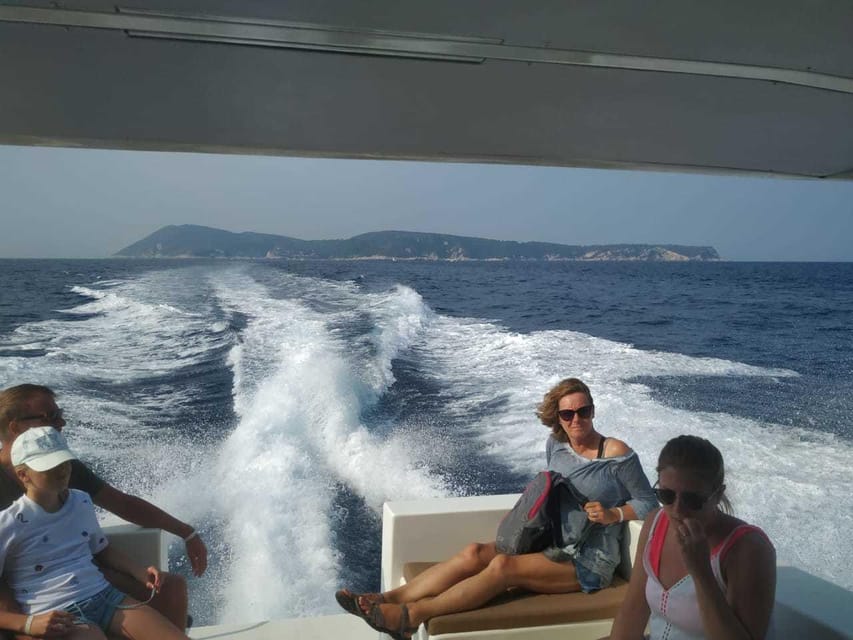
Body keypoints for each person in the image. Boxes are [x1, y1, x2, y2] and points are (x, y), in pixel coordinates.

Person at [335, 377, 657, 640]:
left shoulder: (615, 454)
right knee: (475, 552)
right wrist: (522, 517)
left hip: (588, 560)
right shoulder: (556, 445)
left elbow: (648, 503)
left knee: (503, 567)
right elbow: (551, 493)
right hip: (551, 542)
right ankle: (388, 598)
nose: (576, 420)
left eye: (583, 411)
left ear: (593, 411)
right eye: (567, 414)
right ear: (558, 417)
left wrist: (614, 514)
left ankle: (410, 616)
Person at [0, 384, 207, 634]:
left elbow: (122, 504)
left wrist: (186, 532)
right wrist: (24, 623)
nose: (61, 422)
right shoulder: (10, 517)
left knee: (170, 588)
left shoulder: (64, 469)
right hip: (25, 592)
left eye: (60, 414)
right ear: (15, 427)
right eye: (51, 417)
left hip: (81, 579)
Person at [606, 435, 776, 640]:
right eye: (667, 495)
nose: (677, 510)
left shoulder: (748, 549)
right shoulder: (655, 523)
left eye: (692, 500)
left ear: (717, 495)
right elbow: (633, 612)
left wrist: (701, 572)